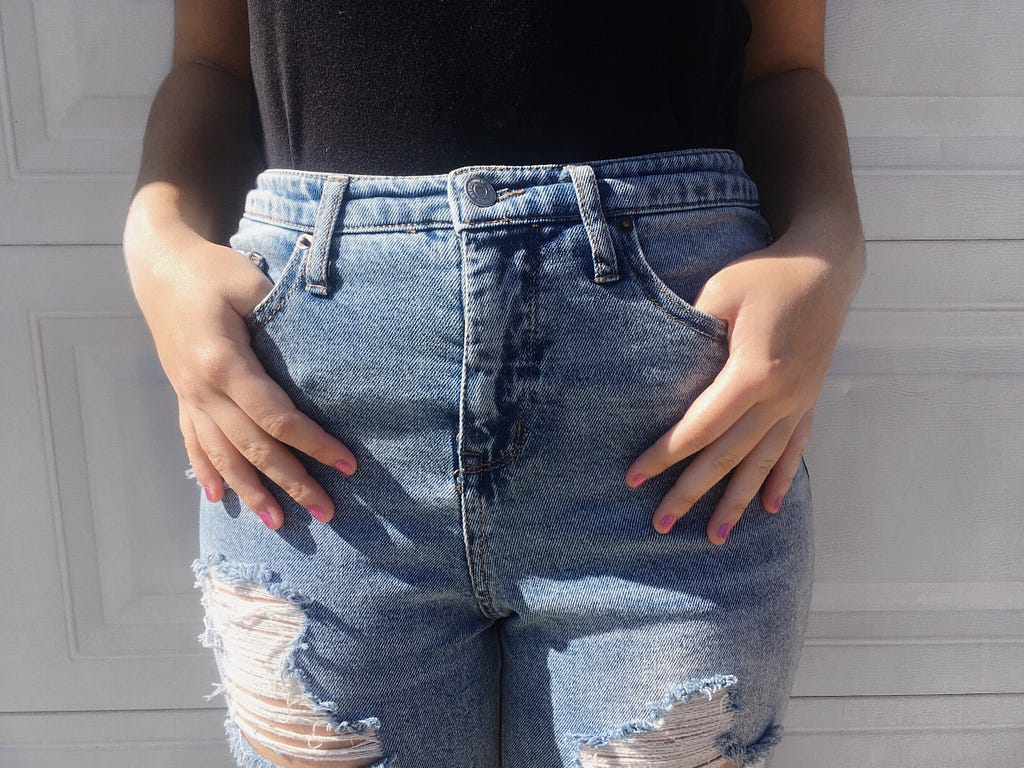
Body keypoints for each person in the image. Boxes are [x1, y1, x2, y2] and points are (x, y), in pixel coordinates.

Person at [122, 1, 865, 767]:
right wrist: (158, 241)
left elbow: (783, 68)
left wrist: (828, 243)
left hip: (668, 421)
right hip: (319, 426)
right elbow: (211, 62)